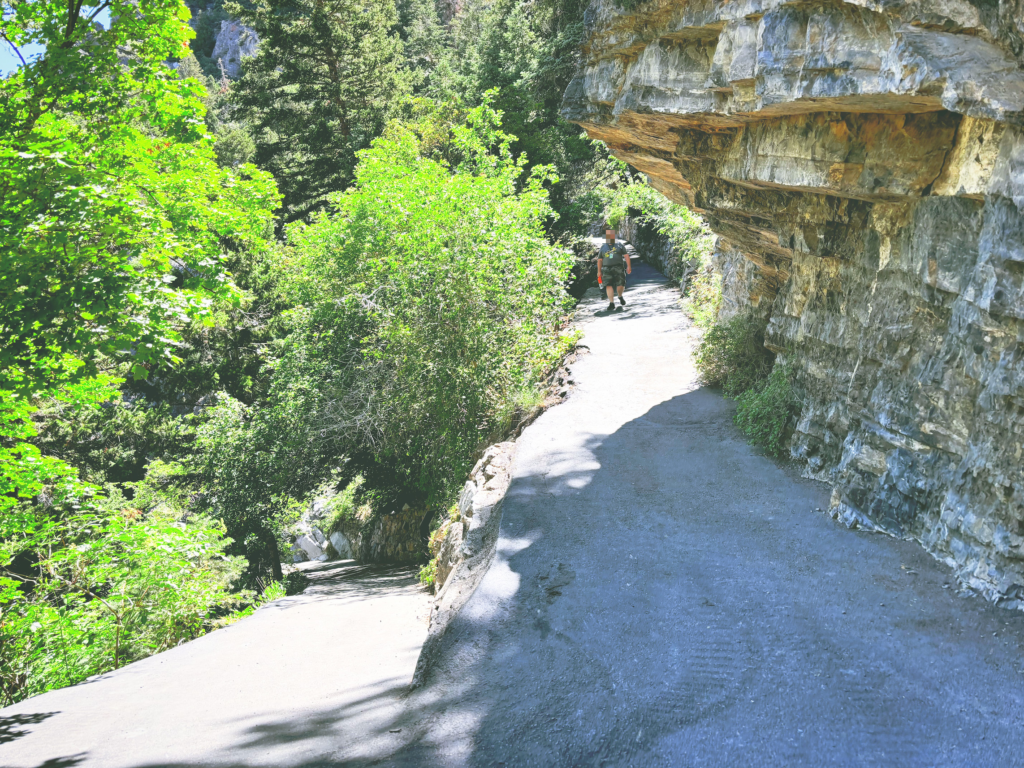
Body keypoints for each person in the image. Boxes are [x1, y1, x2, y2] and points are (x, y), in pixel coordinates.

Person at [597, 226, 631, 312]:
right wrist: (599, 271)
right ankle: (611, 303)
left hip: (618, 267)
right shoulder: (603, 247)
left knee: (621, 284)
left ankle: (620, 296)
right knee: (608, 285)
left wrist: (628, 266)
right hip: (606, 269)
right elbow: (600, 260)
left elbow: (626, 256)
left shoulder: (619, 245)